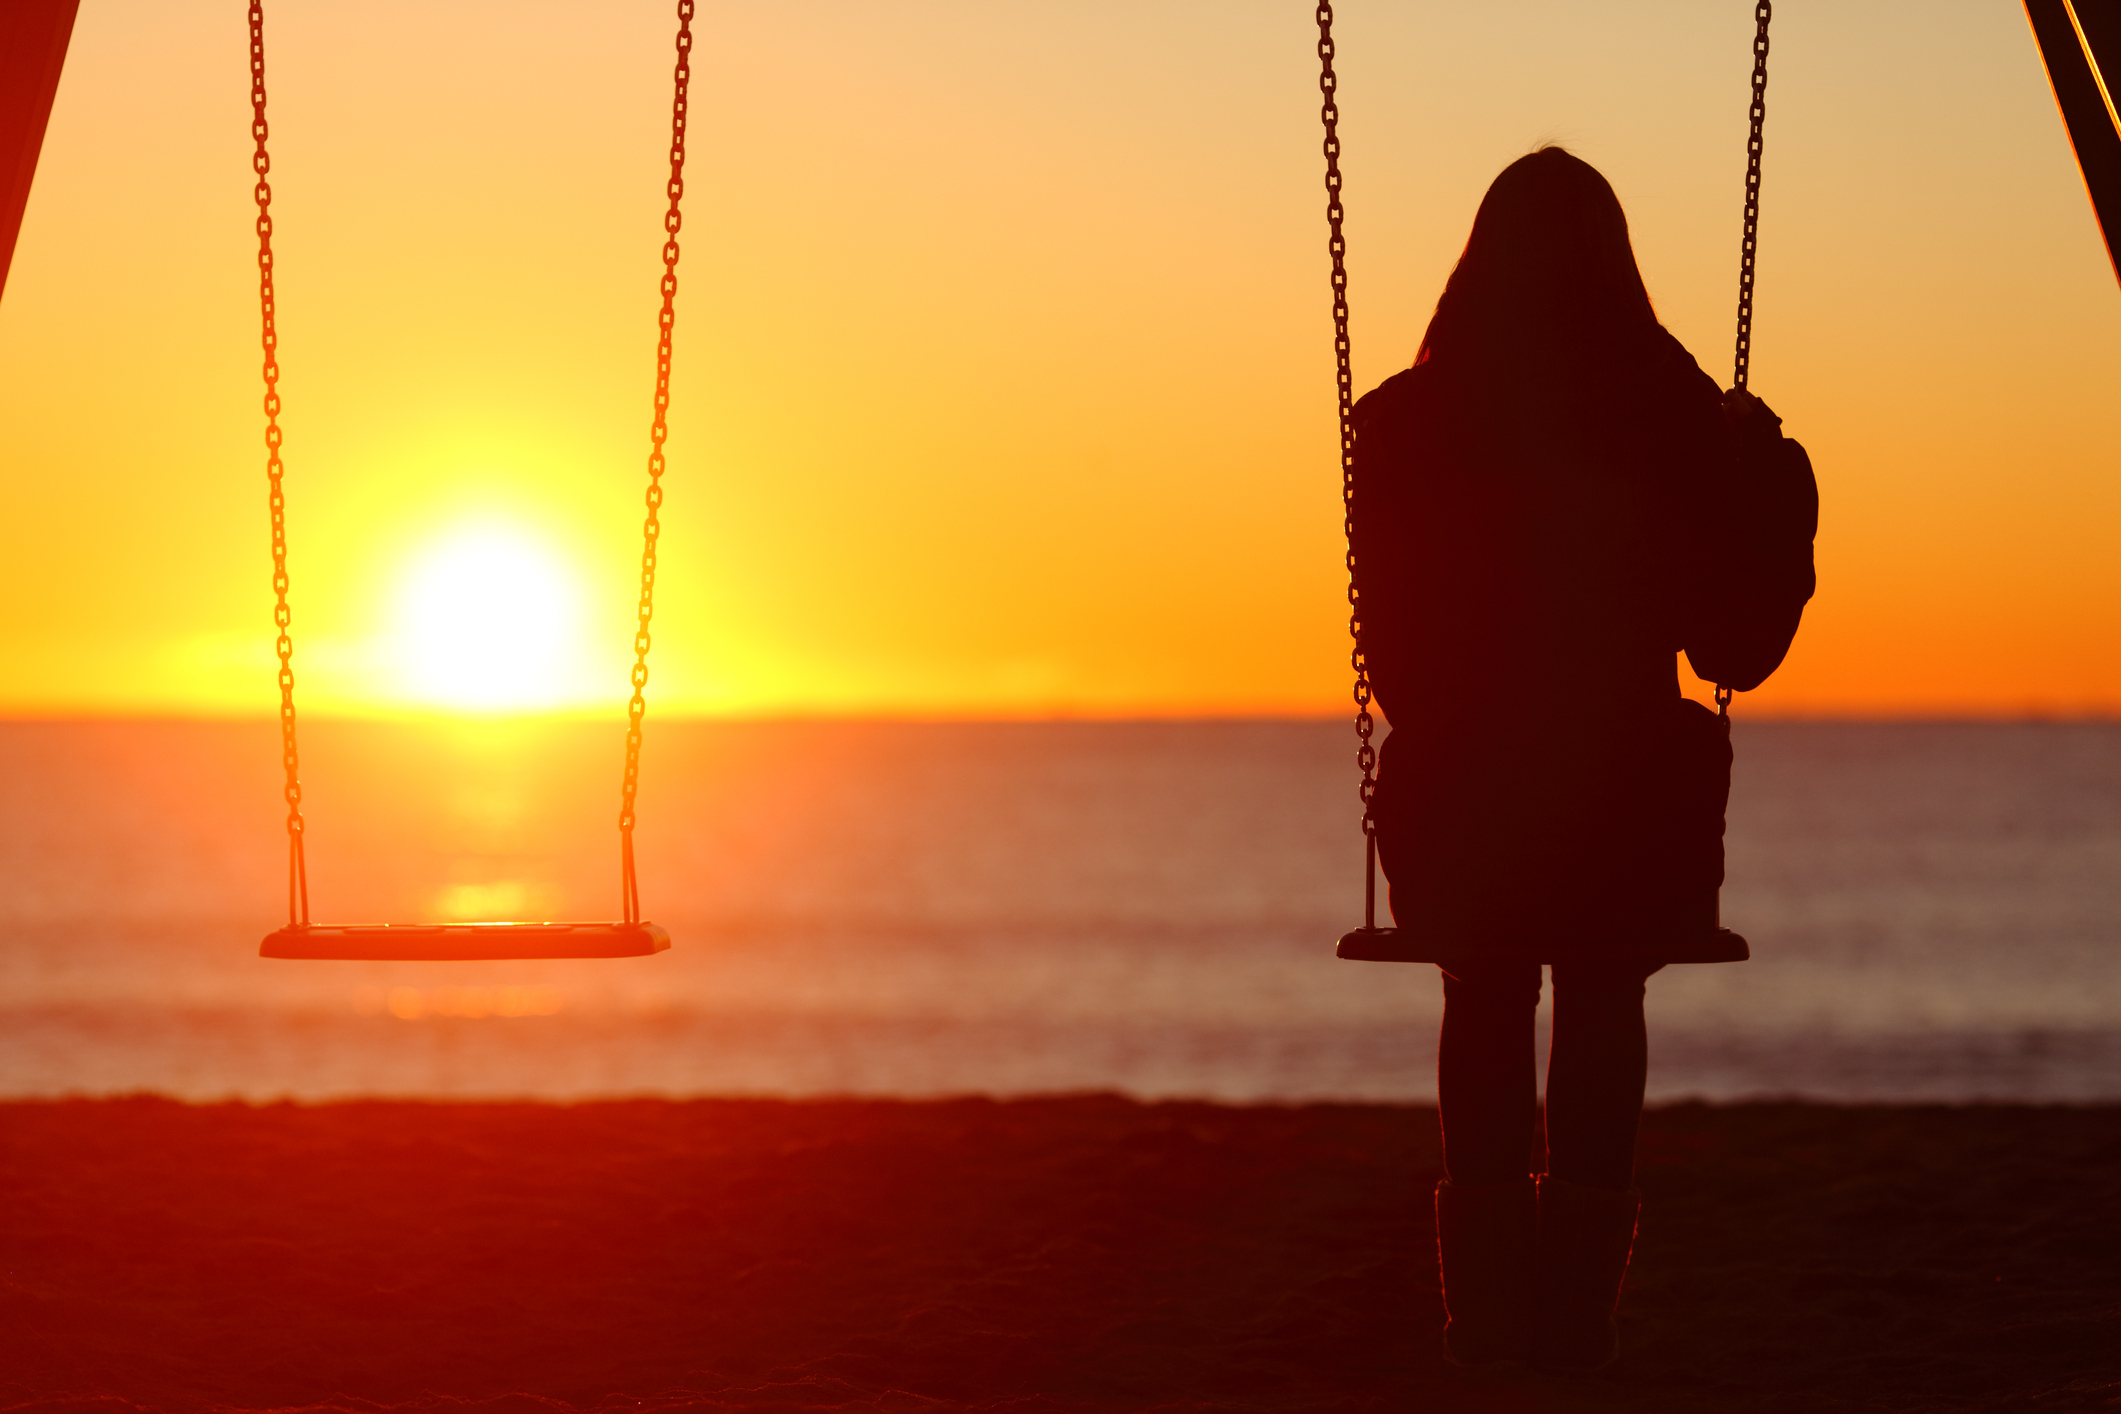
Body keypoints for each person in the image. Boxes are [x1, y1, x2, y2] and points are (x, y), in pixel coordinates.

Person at [1348, 147, 1817, 1371]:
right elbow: (1738, 642)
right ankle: (1578, 1327)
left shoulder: (1401, 425)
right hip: (1631, 807)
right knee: (1605, 991)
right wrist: (1769, 473)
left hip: (1468, 805)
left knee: (1482, 985)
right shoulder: (1674, 420)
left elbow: (1396, 664)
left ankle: (1484, 1321)